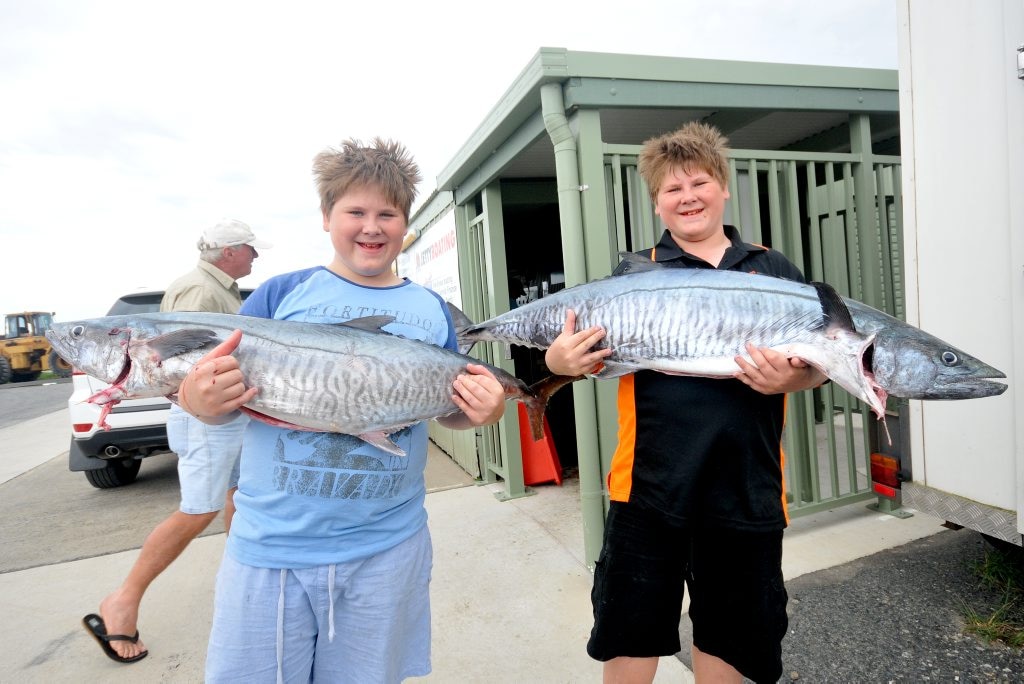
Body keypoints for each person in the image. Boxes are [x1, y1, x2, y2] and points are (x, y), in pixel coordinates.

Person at [175, 138, 508, 683]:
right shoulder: (280, 295)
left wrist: (479, 412)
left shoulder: (432, 310)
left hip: (388, 545)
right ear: (327, 216)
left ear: (407, 223)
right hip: (272, 545)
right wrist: (198, 402)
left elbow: (445, 411)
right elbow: (224, 407)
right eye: (355, 212)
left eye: (387, 214)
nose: (371, 226)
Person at [544, 122, 826, 684]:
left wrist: (790, 383)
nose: (687, 197)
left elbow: (822, 364)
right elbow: (583, 355)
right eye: (672, 190)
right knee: (630, 627)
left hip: (746, 486)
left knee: (733, 634)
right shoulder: (633, 275)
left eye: (698, 183)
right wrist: (558, 364)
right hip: (648, 488)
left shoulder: (775, 270)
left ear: (723, 188)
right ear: (657, 203)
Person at [82, 219, 270, 664]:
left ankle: (241, 583)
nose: (255, 257)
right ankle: (122, 602)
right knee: (197, 509)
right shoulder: (198, 291)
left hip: (227, 416)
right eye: (250, 249)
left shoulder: (216, 287)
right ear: (228, 252)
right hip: (206, 419)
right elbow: (176, 367)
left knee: (237, 496)